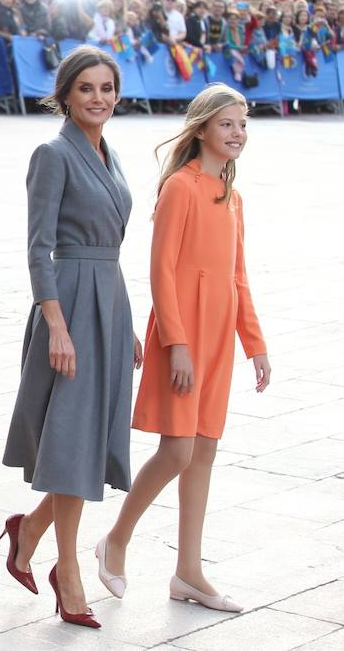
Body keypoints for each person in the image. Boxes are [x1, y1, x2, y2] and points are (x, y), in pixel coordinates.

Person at [99, 85, 270, 615]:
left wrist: (255, 344)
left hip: (220, 335)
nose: (236, 133)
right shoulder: (181, 187)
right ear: (200, 129)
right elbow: (162, 271)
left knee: (204, 451)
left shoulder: (232, 196)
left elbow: (237, 275)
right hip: (184, 334)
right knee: (177, 450)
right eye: (226, 124)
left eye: (242, 123)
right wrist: (176, 344)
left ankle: (188, 573)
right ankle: (117, 539)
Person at [0, 46, 140, 631]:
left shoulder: (108, 154)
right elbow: (38, 248)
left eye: (107, 88)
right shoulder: (52, 153)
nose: (99, 98)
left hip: (107, 301)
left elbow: (111, 244)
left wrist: (127, 322)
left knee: (82, 443)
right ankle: (69, 570)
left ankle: (28, 530)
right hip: (69, 307)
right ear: (65, 94)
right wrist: (55, 325)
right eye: (87, 88)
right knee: (71, 443)